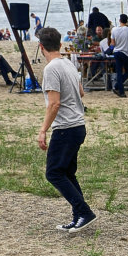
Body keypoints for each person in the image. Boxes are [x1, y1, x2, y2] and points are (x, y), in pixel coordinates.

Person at [35, 27, 95, 233]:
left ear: (41, 47)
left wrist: (43, 130)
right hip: (78, 125)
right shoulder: (69, 64)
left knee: (54, 173)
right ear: (60, 45)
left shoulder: (51, 69)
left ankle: (84, 211)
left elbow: (54, 104)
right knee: (67, 173)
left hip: (65, 128)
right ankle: (79, 216)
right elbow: (81, 93)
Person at [109, 13, 128, 98]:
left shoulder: (114, 30)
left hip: (117, 52)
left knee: (119, 72)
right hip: (126, 52)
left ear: (119, 21)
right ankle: (118, 87)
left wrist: (109, 50)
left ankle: (119, 88)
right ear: (127, 21)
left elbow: (112, 43)